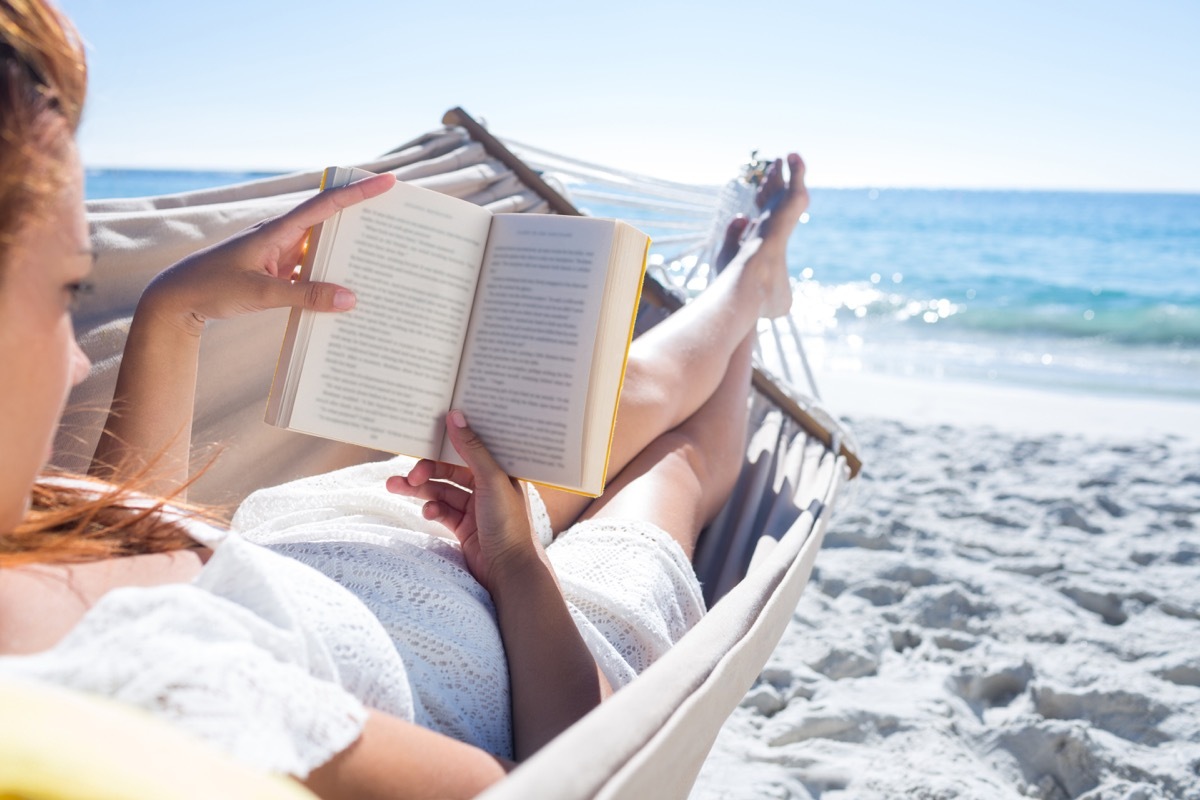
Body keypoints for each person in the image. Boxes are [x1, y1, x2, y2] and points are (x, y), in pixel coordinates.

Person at [0, 1, 810, 797]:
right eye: (70, 288)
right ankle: (751, 284)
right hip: (540, 646)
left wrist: (174, 312)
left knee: (610, 400)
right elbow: (572, 776)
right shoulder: (163, 696)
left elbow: (120, 549)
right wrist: (519, 568)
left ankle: (743, 285)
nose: (77, 361)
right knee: (676, 470)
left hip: (352, 531)